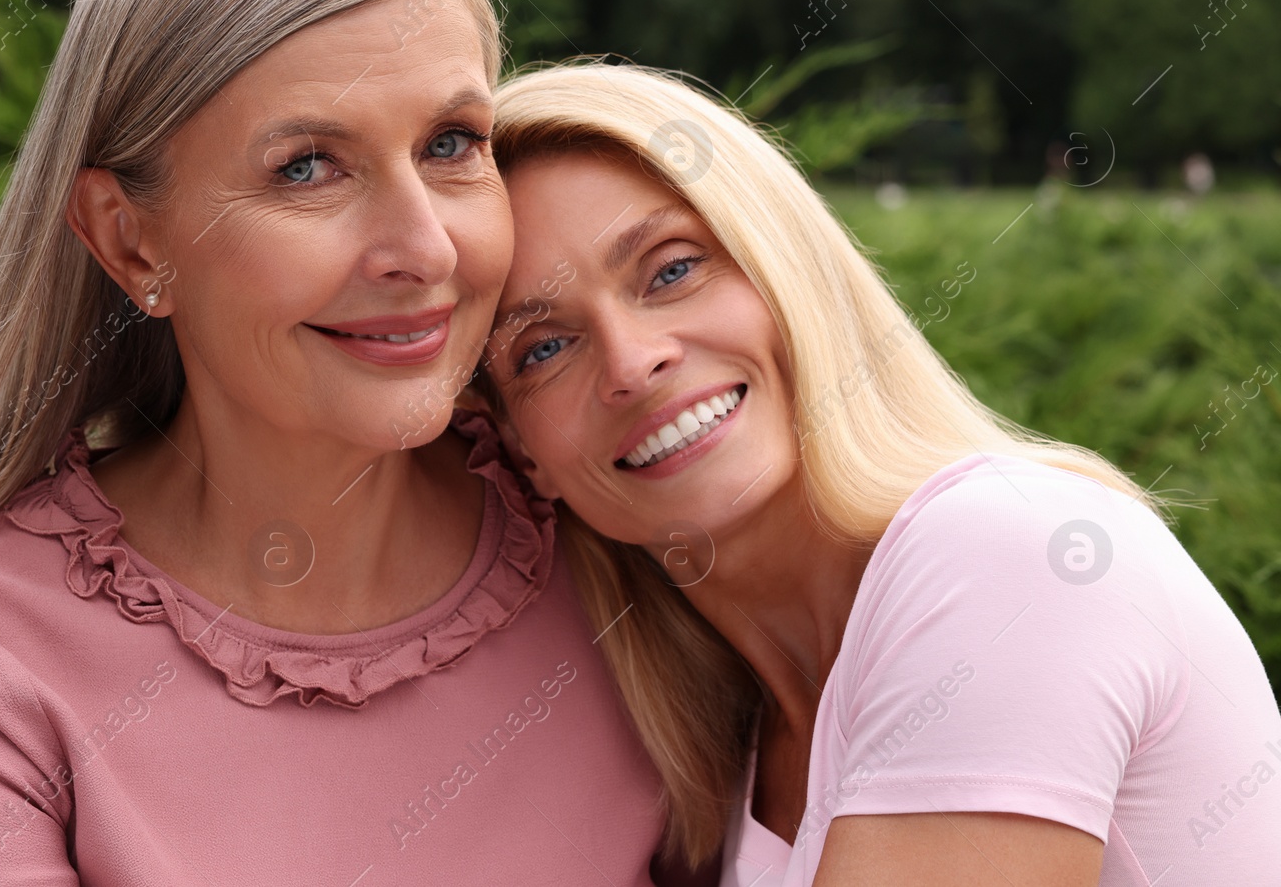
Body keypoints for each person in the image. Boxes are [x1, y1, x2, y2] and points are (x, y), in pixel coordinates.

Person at [0, 0, 735, 885]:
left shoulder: (611, 521)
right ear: (131, 239)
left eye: (451, 143)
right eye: (305, 167)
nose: (423, 248)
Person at [473, 61, 1281, 886]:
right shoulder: (738, 763)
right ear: (521, 450)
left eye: (673, 268)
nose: (632, 362)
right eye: (542, 348)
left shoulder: (1006, 557)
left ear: (783, 264)